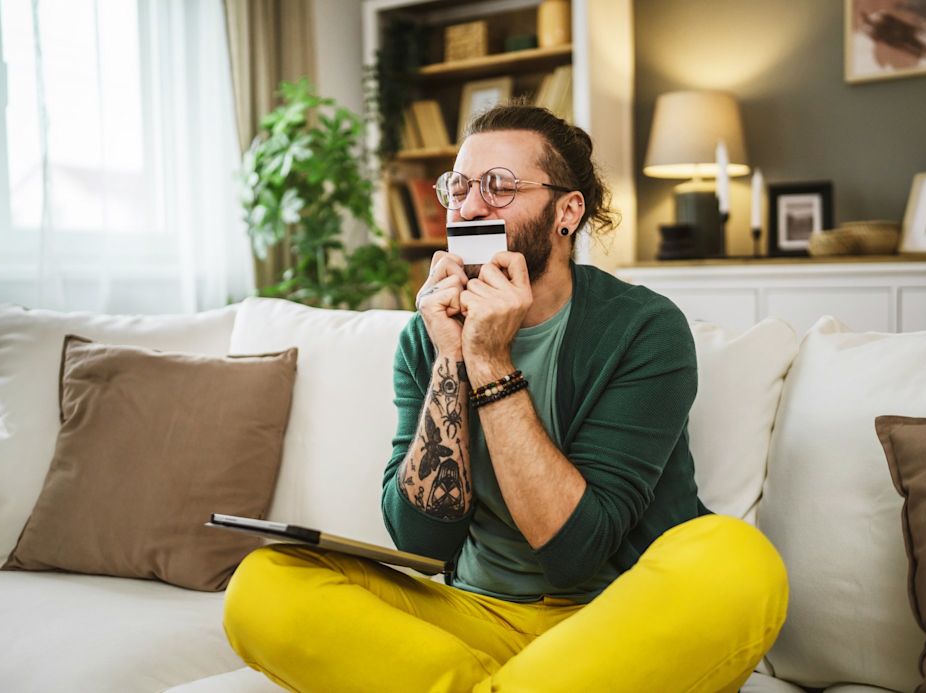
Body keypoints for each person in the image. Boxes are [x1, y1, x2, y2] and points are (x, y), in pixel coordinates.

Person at [223, 104, 788, 693]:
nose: (468, 208)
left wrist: (490, 361)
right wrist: (451, 358)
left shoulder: (644, 328)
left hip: (617, 619)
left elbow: (576, 552)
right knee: (266, 583)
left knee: (736, 560)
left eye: (497, 186)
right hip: (477, 616)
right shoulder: (427, 333)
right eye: (458, 187)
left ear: (567, 212)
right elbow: (420, 540)